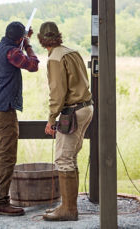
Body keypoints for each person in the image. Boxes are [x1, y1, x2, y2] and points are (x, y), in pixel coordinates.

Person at [0, 21, 39, 216]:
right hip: (2, 110)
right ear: (20, 38)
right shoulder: (13, 52)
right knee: (6, 156)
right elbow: (32, 65)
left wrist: (23, 39)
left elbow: (14, 54)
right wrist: (28, 45)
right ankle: (0, 201)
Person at [38, 21, 94, 221]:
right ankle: (67, 206)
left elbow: (58, 93)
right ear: (58, 36)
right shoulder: (72, 52)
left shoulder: (55, 58)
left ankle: (69, 210)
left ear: (41, 39)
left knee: (63, 159)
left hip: (73, 111)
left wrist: (51, 119)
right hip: (87, 107)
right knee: (70, 157)